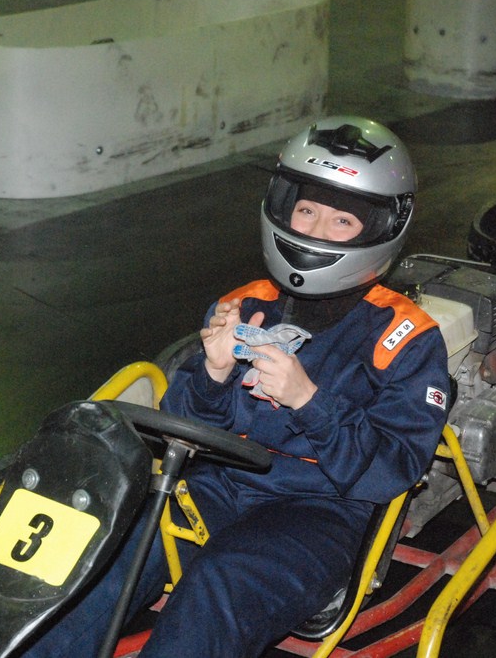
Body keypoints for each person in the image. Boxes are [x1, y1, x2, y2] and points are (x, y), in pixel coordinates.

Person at [22, 116, 450, 658]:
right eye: (307, 210)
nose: (317, 230)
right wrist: (213, 373)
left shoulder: (405, 339)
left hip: (321, 511)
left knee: (219, 582)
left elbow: (395, 468)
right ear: (283, 207)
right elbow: (180, 430)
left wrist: (308, 401)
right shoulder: (244, 305)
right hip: (216, 485)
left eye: (341, 221)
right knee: (110, 551)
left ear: (377, 232)